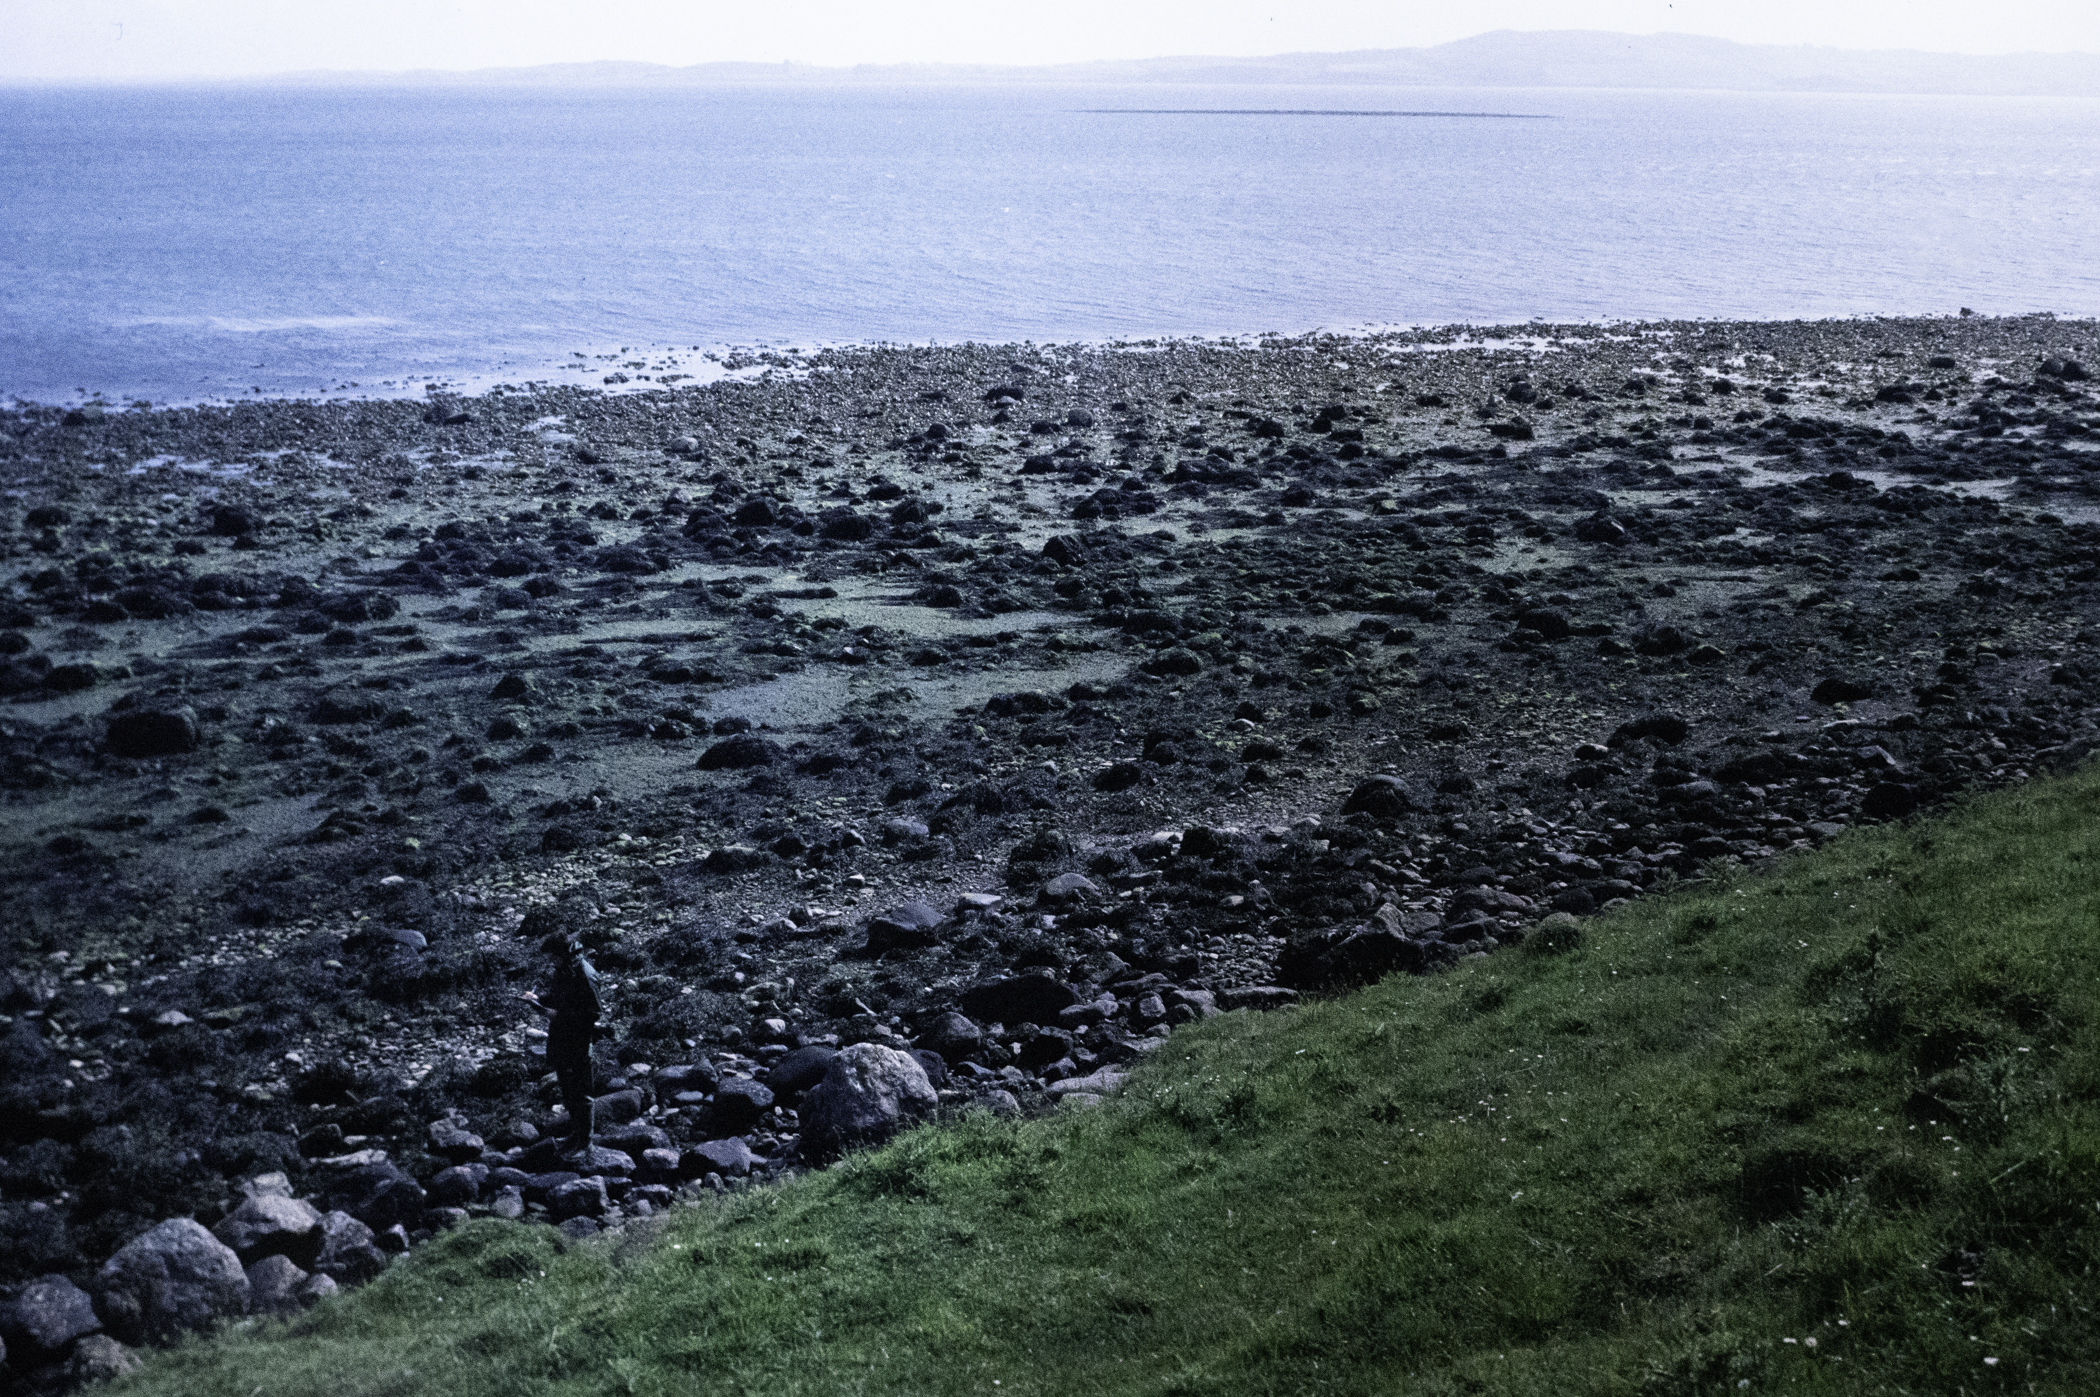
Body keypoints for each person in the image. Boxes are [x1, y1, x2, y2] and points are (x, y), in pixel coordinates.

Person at [521, 931, 601, 1149]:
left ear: (562, 954)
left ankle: (586, 1143)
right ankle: (576, 1134)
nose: (550, 961)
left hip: (578, 1040)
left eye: (552, 956)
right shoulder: (564, 969)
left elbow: (593, 1014)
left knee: (581, 1093)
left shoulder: (585, 974)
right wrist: (538, 999)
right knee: (567, 1089)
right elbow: (559, 997)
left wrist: (556, 1015)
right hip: (561, 1037)